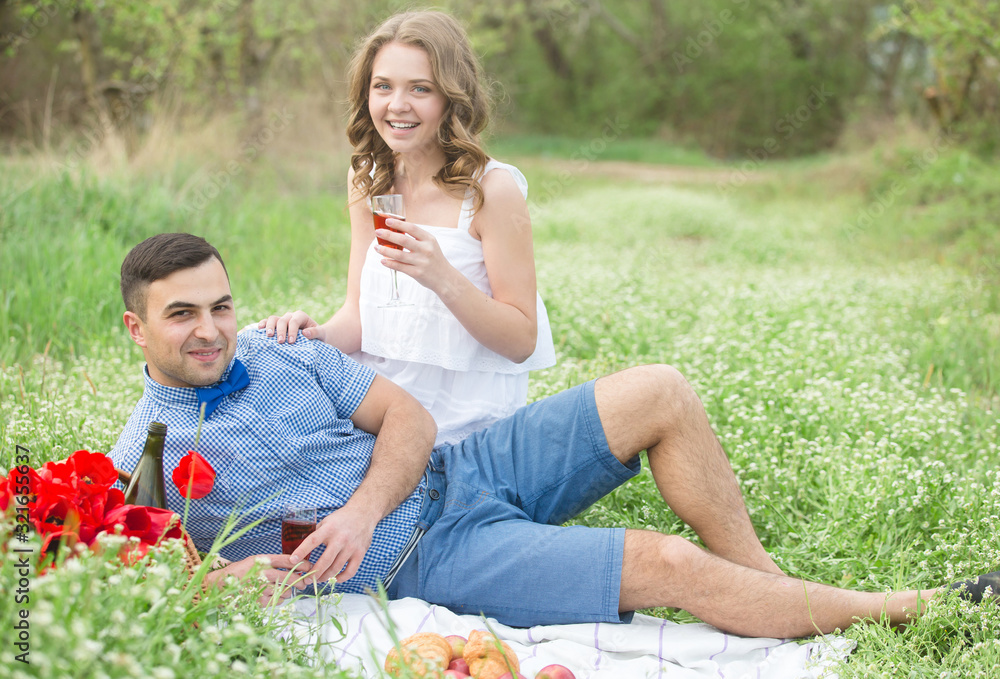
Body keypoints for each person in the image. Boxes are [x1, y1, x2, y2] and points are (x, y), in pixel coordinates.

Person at [111, 233, 997, 638]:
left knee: (661, 388)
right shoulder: (136, 457)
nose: (212, 328)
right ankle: (921, 609)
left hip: (457, 470)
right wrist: (226, 574)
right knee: (669, 566)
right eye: (182, 313)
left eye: (220, 304)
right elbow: (143, 588)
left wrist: (361, 504)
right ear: (134, 328)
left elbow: (407, 418)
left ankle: (773, 590)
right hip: (426, 555)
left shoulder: (279, 351)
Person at [258, 10, 556, 446]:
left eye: (421, 88)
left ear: (452, 98)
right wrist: (317, 336)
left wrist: (442, 277)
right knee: (255, 363)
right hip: (381, 418)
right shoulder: (368, 177)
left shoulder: (491, 191)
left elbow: (521, 340)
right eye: (383, 87)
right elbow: (360, 316)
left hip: (462, 434)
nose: (397, 105)